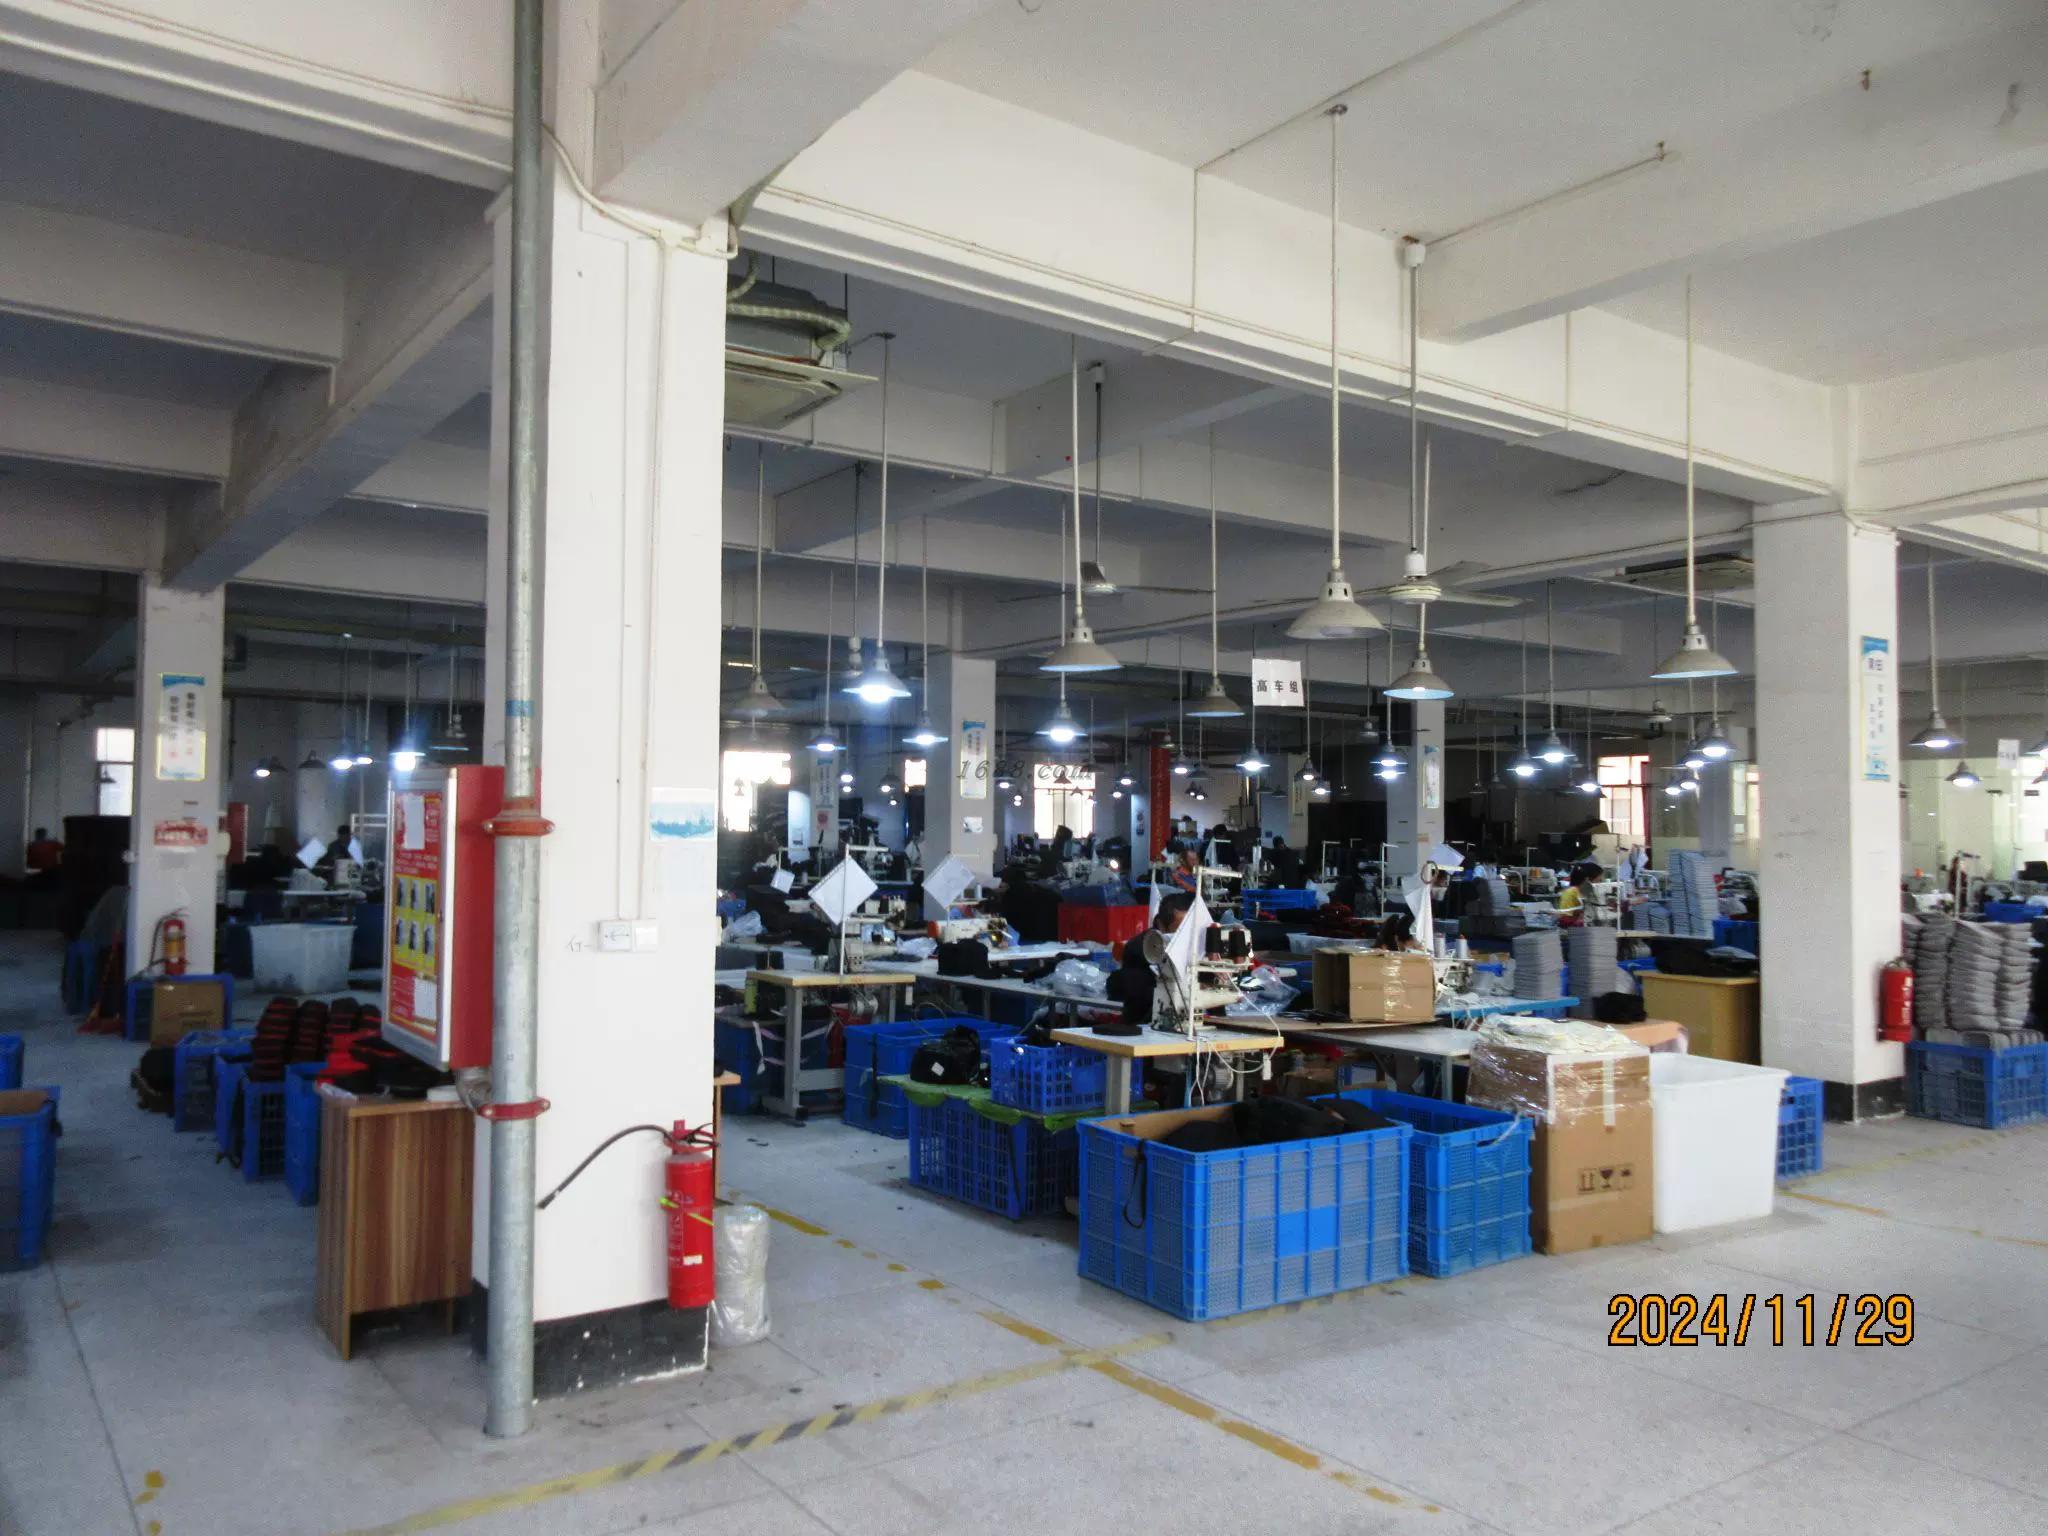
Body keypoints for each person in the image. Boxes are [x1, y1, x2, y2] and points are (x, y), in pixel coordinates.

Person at [1104, 891, 1193, 1029]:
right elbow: (1141, 997)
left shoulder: (1192, 944)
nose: (1186, 936)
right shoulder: (1141, 949)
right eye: (1180, 931)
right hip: (1144, 1024)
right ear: (1161, 925)